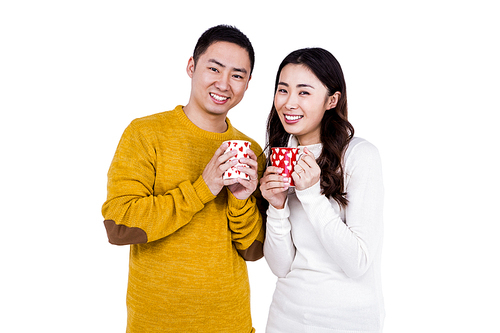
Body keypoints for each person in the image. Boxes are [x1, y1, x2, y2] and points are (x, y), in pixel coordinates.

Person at [101, 25, 266, 333]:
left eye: (237, 75)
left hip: (231, 323)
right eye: (214, 68)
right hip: (155, 325)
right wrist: (203, 189)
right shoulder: (145, 134)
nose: (224, 83)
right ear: (192, 67)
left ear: (247, 84)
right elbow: (119, 225)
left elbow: (253, 249)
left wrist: (241, 200)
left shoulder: (252, 151)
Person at [260, 48, 385, 332]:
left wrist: (311, 195)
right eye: (283, 90)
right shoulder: (281, 158)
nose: (289, 103)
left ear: (332, 100)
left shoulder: (360, 156)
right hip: (285, 318)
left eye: (304, 92)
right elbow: (281, 267)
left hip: (346, 320)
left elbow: (357, 262)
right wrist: (277, 208)